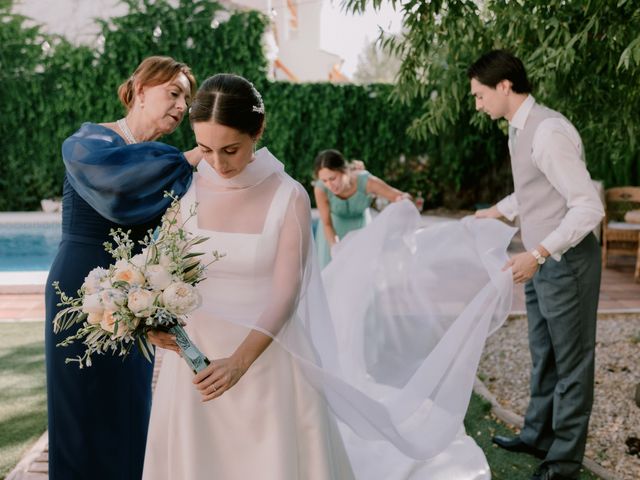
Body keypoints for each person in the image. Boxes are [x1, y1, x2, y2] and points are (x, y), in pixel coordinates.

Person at [143, 73, 516, 480]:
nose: (217, 163)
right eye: (204, 149)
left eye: (230, 149)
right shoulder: (187, 189)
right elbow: (164, 266)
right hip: (194, 364)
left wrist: (238, 364)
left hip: (265, 362)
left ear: (258, 131)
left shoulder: (289, 196)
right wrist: (153, 320)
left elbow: (287, 293)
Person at [44, 55, 200, 480]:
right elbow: (114, 183)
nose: (182, 106)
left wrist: (163, 295)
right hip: (78, 284)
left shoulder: (170, 160)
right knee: (79, 406)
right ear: (141, 88)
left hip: (138, 292)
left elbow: (176, 230)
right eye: (173, 93)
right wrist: (189, 158)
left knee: (130, 405)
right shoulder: (91, 141)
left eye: (186, 99)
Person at [469, 50, 604, 480]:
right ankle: (537, 435)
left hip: (565, 263)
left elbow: (588, 207)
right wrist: (497, 211)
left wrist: (540, 253)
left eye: (479, 94)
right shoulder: (518, 128)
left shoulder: (548, 132)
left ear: (504, 86)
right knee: (543, 354)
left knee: (572, 363)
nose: (477, 104)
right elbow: (534, 191)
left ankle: (563, 461)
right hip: (539, 261)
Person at [313, 149, 409, 268]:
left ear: (345, 171)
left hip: (360, 230)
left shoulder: (367, 182)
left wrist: (404, 200)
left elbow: (400, 196)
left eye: (333, 178)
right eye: (324, 180)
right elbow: (327, 223)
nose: (329, 185)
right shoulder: (320, 189)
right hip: (331, 233)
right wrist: (334, 246)